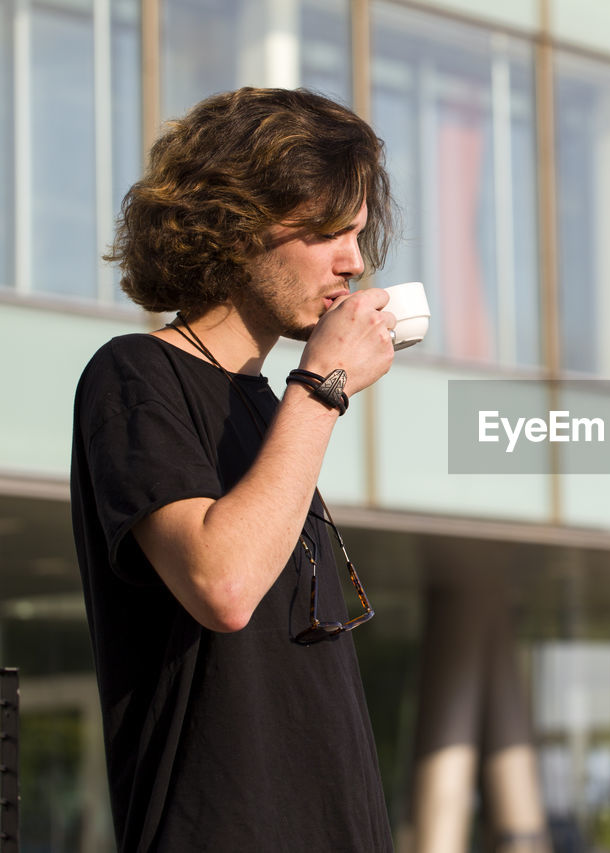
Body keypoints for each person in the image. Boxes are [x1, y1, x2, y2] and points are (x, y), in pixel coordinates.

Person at [70, 87, 398, 851]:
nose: (354, 261)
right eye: (326, 232)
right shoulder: (133, 375)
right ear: (236, 224)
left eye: (357, 233)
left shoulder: (269, 402)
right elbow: (223, 584)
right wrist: (322, 388)